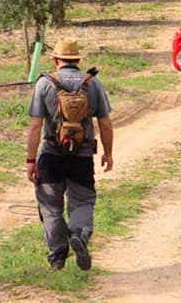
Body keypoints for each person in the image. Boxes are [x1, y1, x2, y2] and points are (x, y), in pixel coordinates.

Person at [26, 38, 113, 271]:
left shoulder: (44, 84)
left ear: (56, 60)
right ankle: (80, 235)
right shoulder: (93, 83)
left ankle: (57, 256)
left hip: (52, 155)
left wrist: (31, 160)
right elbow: (105, 123)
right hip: (82, 156)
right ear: (77, 60)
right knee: (83, 201)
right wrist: (108, 153)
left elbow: (35, 126)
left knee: (50, 205)